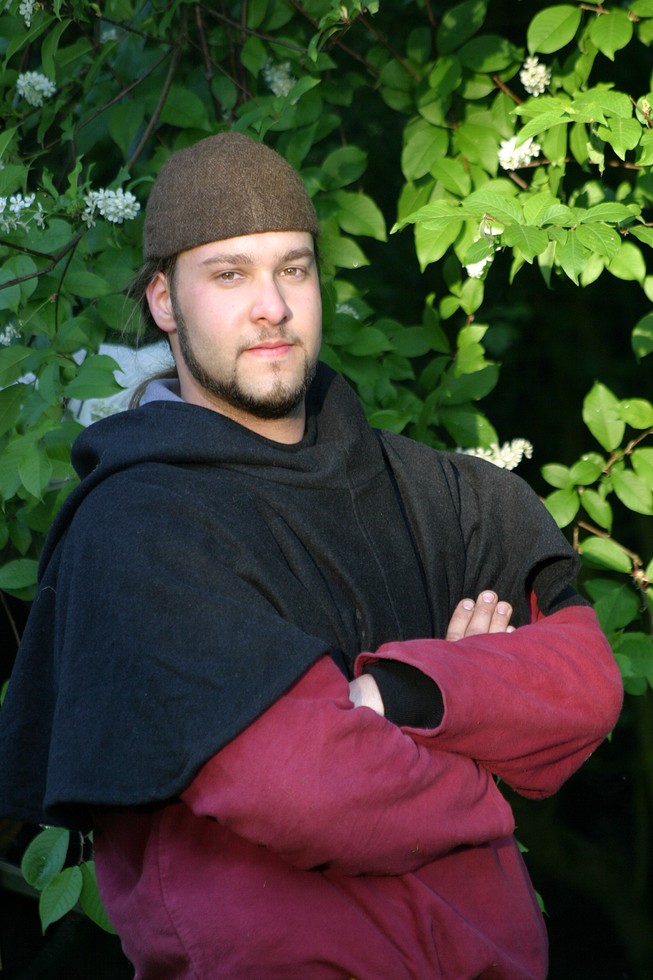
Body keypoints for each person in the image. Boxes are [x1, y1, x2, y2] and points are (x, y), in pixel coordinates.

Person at [0, 132, 623, 980]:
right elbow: (303, 788)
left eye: (292, 268)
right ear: (164, 300)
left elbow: (583, 681)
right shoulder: (136, 528)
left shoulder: (437, 492)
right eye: (229, 275)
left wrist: (395, 694)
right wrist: (477, 752)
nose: (272, 306)